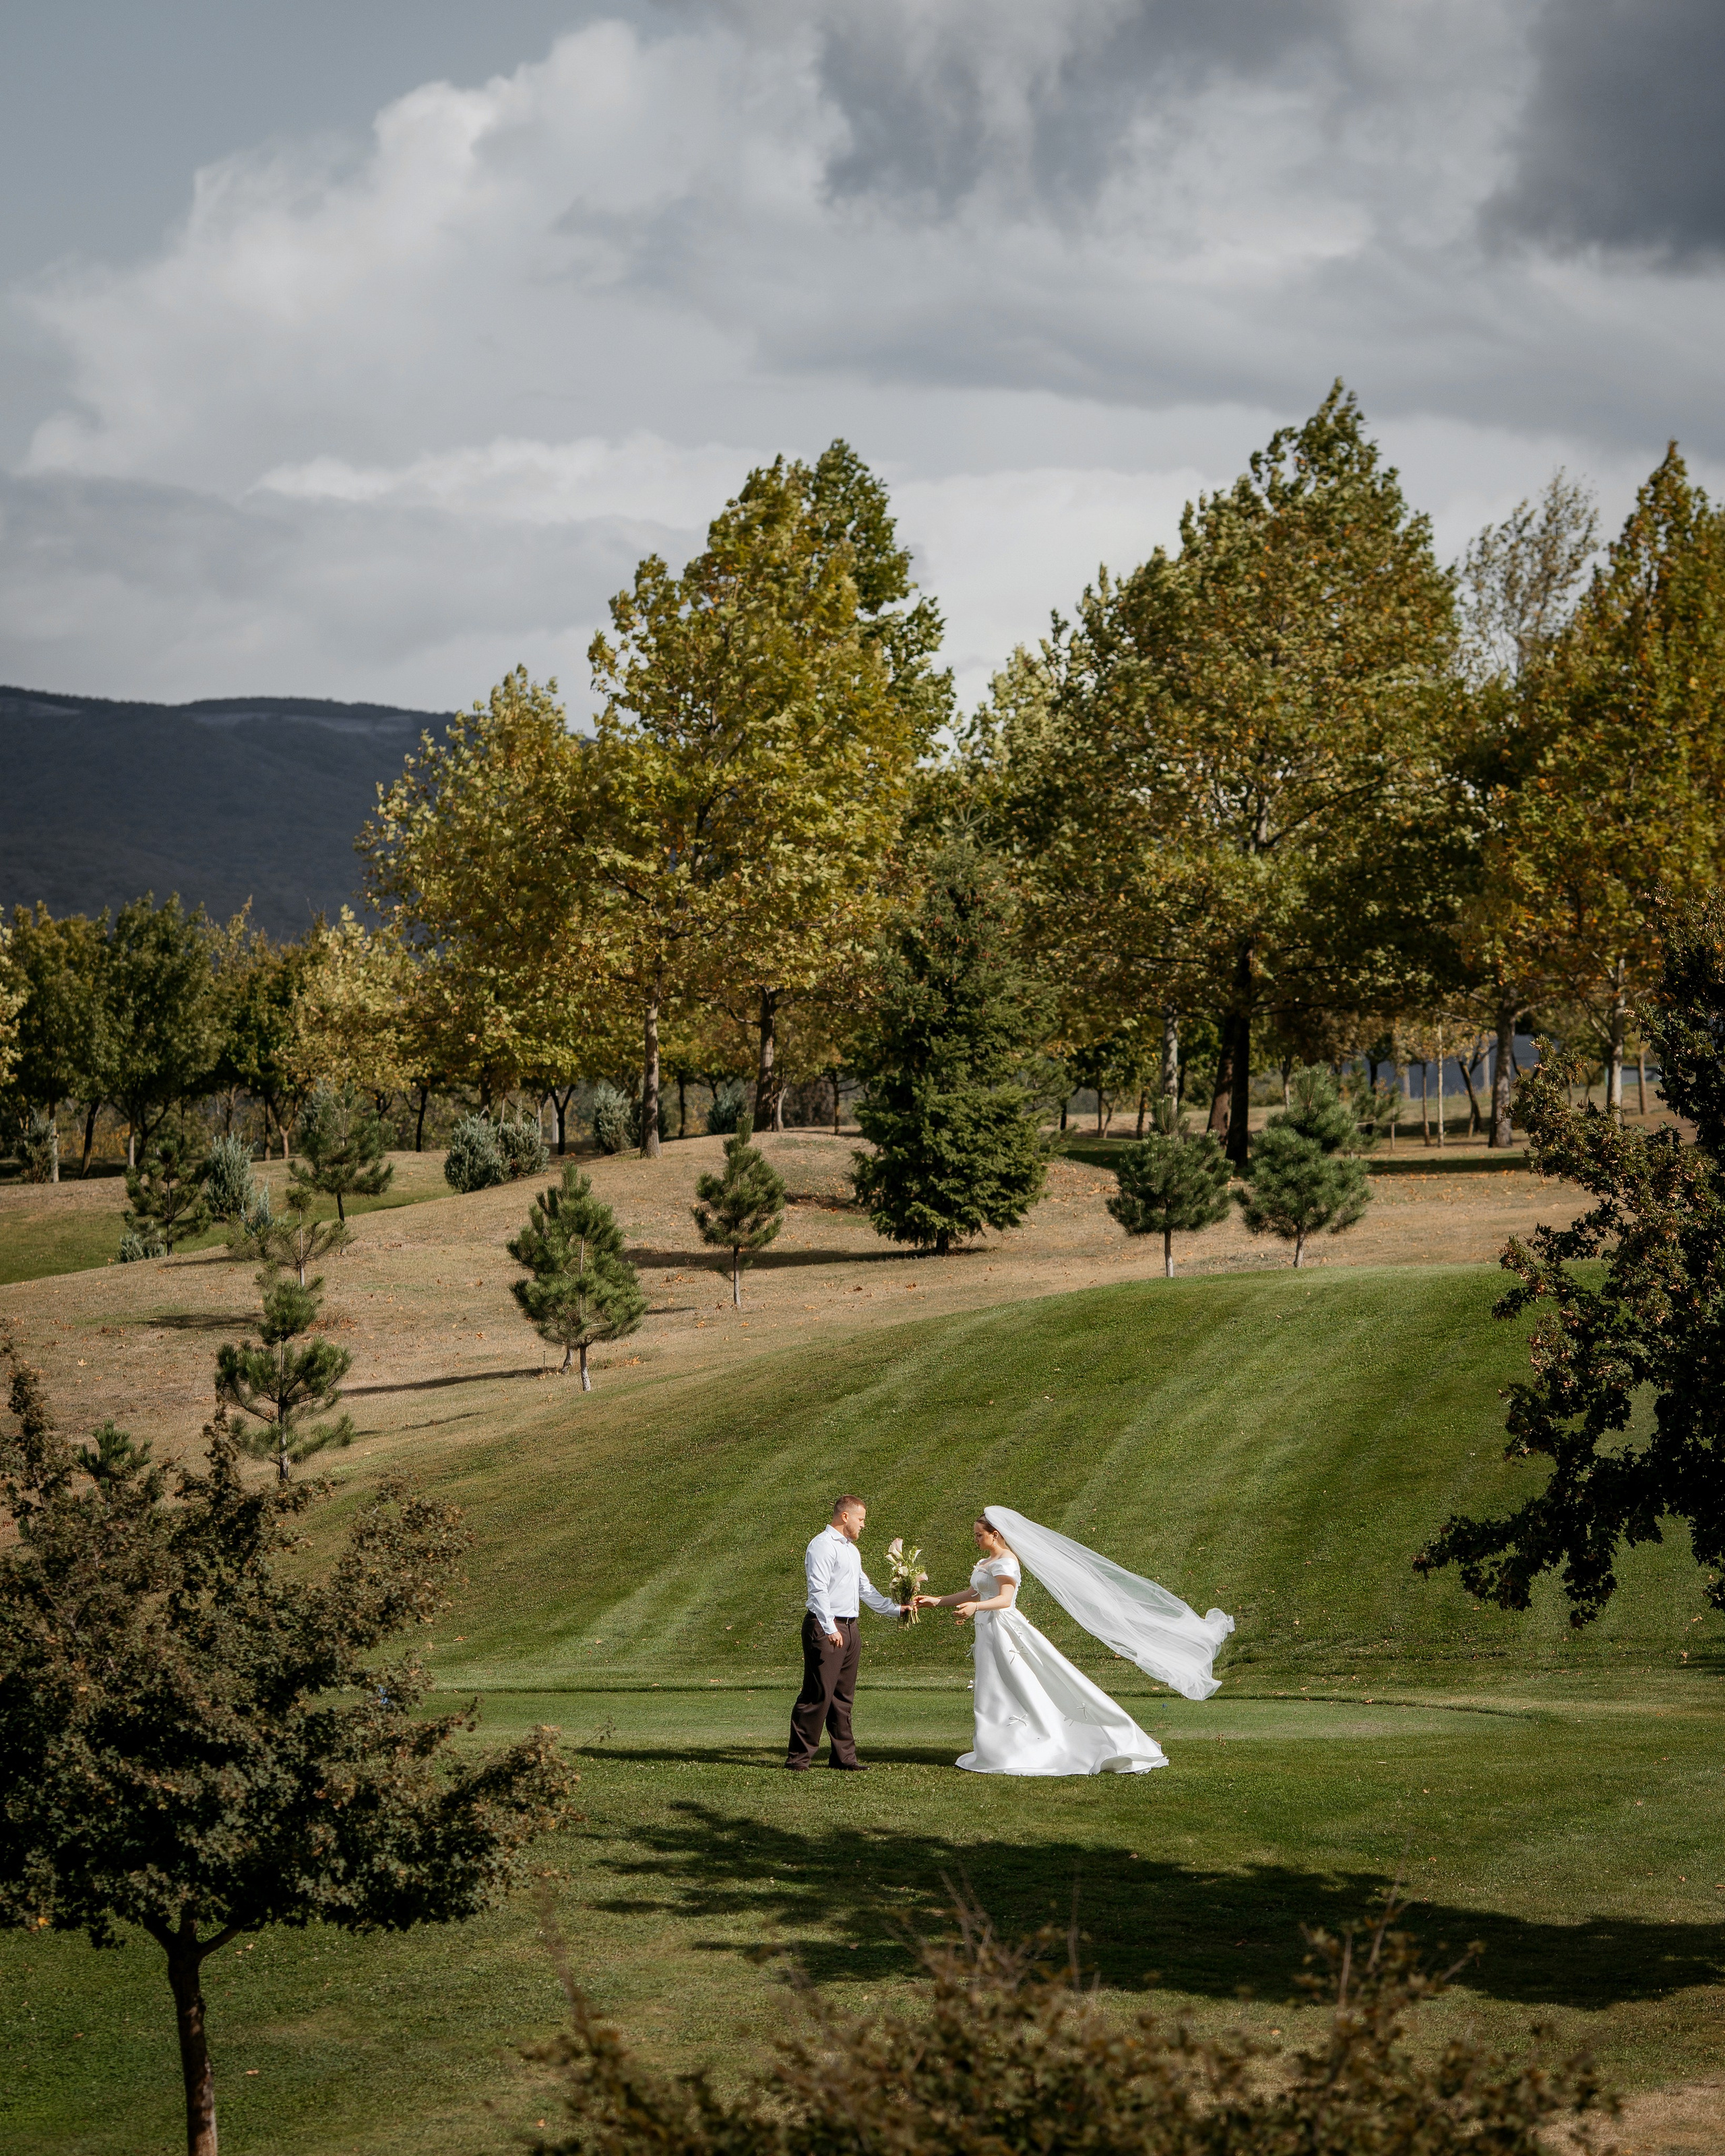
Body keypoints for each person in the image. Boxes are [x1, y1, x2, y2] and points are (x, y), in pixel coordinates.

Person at [914, 1507, 1234, 1777]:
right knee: (995, 1687)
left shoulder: (1007, 1562)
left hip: (1004, 1629)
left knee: (1024, 1683)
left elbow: (1004, 1600)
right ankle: (999, 1747)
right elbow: (974, 1592)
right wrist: (938, 1601)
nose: (975, 1539)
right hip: (988, 1630)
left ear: (995, 1534)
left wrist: (976, 1608)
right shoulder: (986, 1563)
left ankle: (1048, 1744)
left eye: (979, 1534)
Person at [786, 1494, 906, 1771]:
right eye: (861, 1519)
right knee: (818, 1695)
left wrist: (896, 1609)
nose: (863, 1525)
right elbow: (818, 1589)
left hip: (851, 1629)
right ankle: (798, 1759)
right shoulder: (822, 1546)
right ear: (845, 1517)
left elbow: (864, 1588)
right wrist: (829, 1628)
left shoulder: (851, 1549)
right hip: (827, 1628)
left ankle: (844, 1758)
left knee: (843, 1698)